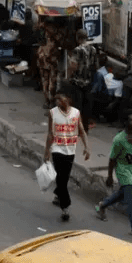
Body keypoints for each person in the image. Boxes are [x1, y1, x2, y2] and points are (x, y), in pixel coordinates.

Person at [95, 112, 132, 239]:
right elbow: (112, 159)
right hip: (123, 171)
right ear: (126, 123)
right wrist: (109, 176)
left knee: (123, 194)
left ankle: (102, 205)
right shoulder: (119, 140)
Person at [44, 85, 90, 222]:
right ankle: (65, 207)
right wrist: (47, 151)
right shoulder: (53, 113)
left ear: (69, 99)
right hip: (57, 149)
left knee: (64, 178)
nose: (58, 102)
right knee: (61, 179)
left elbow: (81, 131)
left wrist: (87, 147)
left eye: (61, 99)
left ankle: (58, 194)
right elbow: (50, 133)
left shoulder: (76, 113)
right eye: (57, 99)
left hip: (70, 151)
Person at [67, 30, 98, 123]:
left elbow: (74, 66)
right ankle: (85, 123)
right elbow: (95, 66)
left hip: (77, 81)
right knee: (86, 105)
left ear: (78, 38)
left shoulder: (77, 50)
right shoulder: (93, 49)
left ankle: (76, 123)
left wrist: (68, 76)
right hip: (88, 81)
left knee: (77, 104)